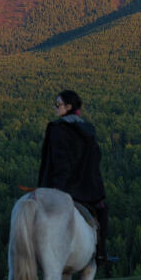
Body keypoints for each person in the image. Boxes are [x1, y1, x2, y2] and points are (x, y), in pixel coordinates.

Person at [38, 89, 115, 264]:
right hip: (88, 189)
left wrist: (57, 188)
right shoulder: (88, 129)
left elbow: (60, 161)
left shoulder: (58, 129)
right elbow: (96, 157)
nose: (55, 107)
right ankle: (101, 253)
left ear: (69, 106)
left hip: (63, 187)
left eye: (58, 104)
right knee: (102, 210)